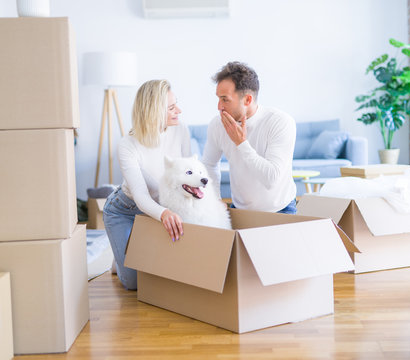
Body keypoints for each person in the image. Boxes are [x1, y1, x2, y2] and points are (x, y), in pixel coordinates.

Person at [103, 79, 190, 290]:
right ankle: (120, 259)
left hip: (162, 207)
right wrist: (165, 214)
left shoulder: (180, 131)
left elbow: (191, 175)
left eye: (176, 103)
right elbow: (141, 197)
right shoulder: (128, 145)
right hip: (125, 210)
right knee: (134, 283)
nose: (179, 110)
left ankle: (127, 251)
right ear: (154, 112)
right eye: (171, 107)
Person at [202, 61, 297, 214]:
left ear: (247, 100)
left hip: (280, 209)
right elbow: (209, 164)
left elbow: (271, 179)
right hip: (240, 209)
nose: (219, 106)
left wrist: (241, 143)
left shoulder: (280, 122)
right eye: (218, 98)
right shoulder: (217, 124)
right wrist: (215, 199)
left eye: (225, 99)